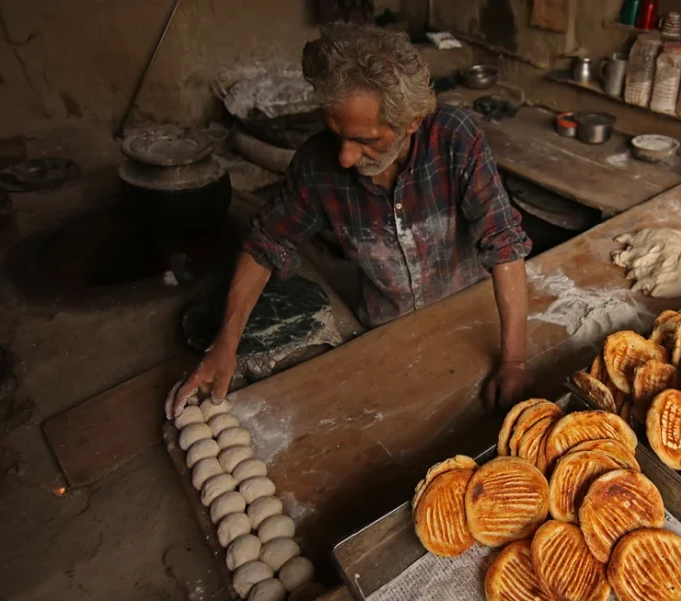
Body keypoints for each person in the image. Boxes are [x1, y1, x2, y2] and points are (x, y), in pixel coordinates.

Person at [166, 22, 532, 418]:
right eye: (336, 134)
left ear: (410, 122)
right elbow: (264, 245)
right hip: (382, 333)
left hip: (468, 317)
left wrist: (513, 361)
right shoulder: (316, 165)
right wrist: (226, 345)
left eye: (366, 140)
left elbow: (503, 242)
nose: (344, 156)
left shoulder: (456, 139)